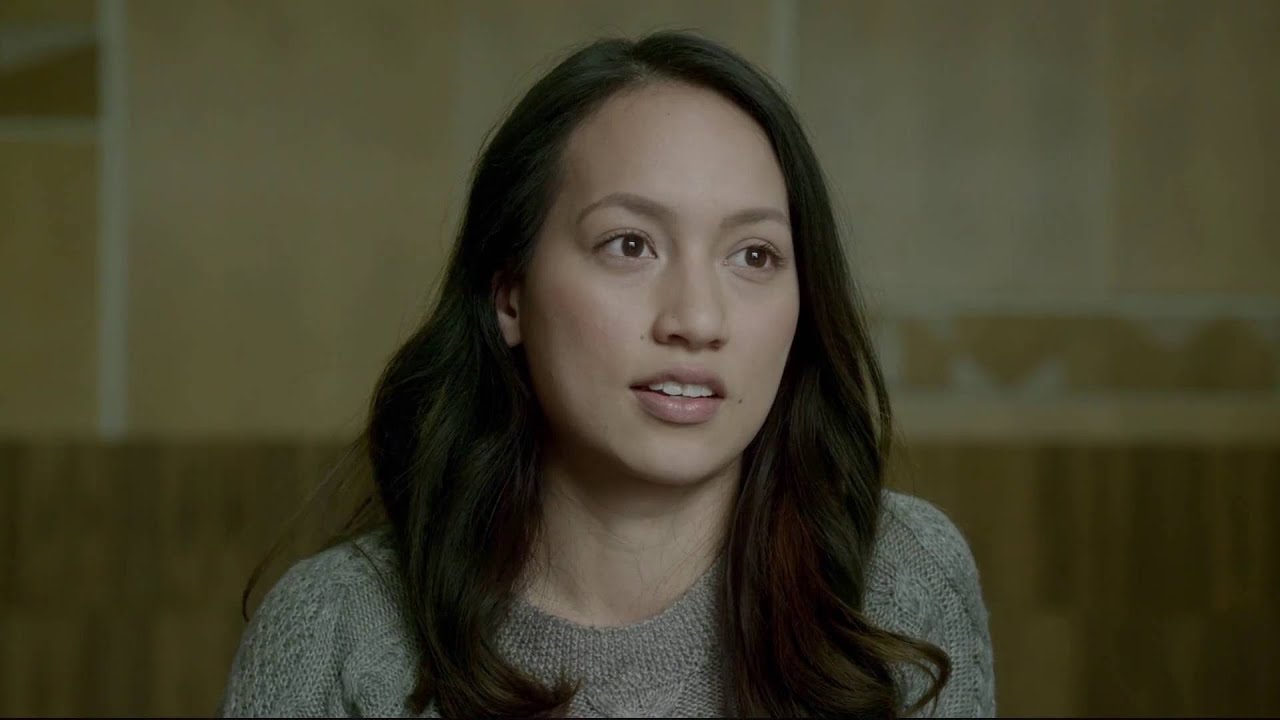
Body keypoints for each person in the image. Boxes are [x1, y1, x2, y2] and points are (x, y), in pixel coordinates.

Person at [217, 30, 995, 718]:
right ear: (509, 294)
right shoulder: (334, 630)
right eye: (629, 245)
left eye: (754, 255)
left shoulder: (897, 582)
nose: (698, 319)